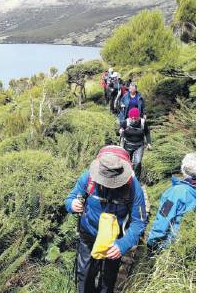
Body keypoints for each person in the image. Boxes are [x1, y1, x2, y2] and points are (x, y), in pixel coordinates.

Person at [65, 145, 148, 293]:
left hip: (115, 239)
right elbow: (71, 197)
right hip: (88, 233)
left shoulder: (133, 188)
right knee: (84, 273)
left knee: (109, 276)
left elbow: (139, 222)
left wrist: (122, 245)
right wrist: (72, 204)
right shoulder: (88, 177)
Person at [145, 153, 197, 248]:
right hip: (185, 241)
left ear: (183, 169)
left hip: (169, 244)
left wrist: (151, 242)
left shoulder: (176, 192)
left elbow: (164, 217)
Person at [118, 108, 150, 173]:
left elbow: (147, 133)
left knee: (137, 162)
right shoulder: (126, 122)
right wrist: (120, 131)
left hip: (139, 145)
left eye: (135, 118)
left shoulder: (143, 123)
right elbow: (119, 130)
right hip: (127, 145)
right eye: (131, 118)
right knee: (126, 162)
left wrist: (149, 143)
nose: (133, 120)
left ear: (138, 117)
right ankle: (126, 178)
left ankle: (136, 179)